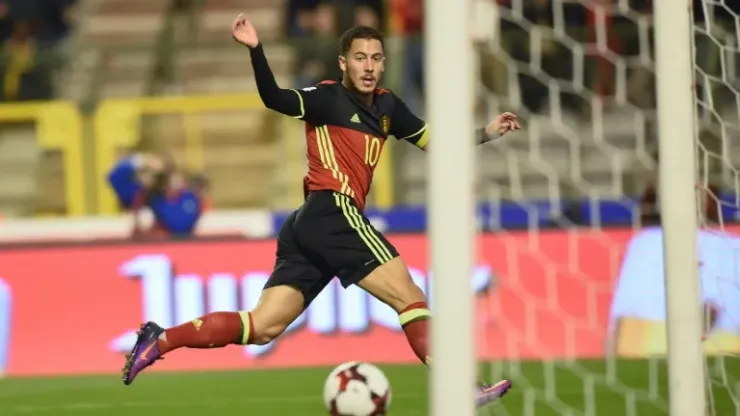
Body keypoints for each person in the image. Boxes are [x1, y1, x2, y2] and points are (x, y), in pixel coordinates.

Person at [122, 13, 521, 408]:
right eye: (360, 58)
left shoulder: (388, 107)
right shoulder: (326, 98)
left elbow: (439, 143)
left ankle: (161, 339)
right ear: (344, 63)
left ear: (384, 63)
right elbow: (274, 98)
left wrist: (486, 133)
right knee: (410, 297)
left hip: (310, 223)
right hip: (333, 210)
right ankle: (461, 387)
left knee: (262, 327)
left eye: (376, 58)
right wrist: (256, 50)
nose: (369, 67)